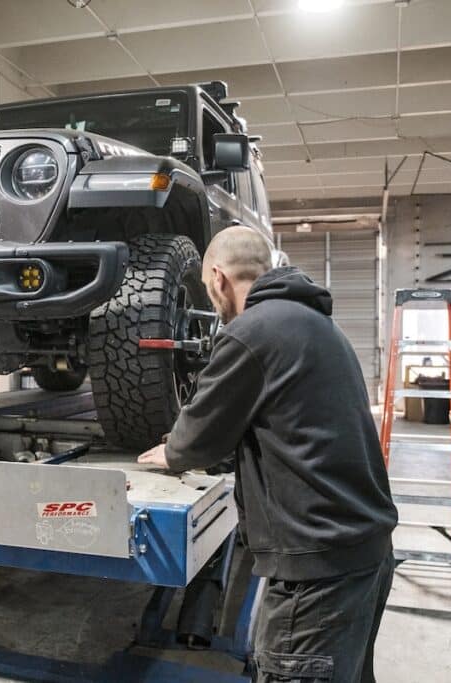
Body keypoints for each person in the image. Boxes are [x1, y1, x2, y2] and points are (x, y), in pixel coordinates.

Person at [138, 226, 398, 683]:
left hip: (318, 574)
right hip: (363, 555)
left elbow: (195, 439)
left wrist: (171, 451)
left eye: (206, 287)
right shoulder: (314, 323)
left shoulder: (249, 333)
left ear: (218, 278)